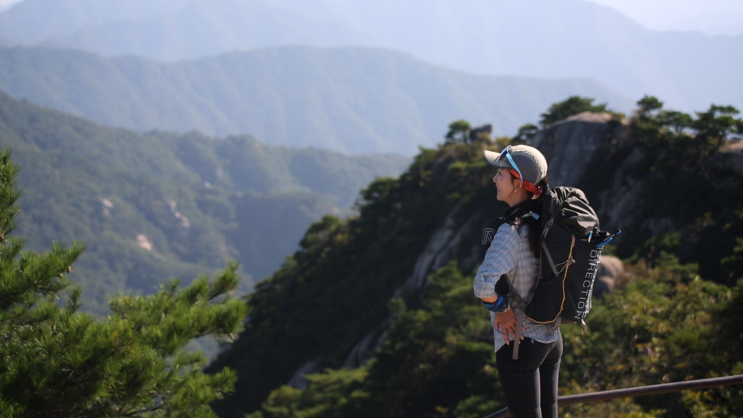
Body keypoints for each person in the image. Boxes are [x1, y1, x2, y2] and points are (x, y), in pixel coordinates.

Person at [474, 144, 561, 418]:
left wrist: (501, 308)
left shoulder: (510, 232)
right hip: (550, 338)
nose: (494, 179)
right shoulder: (545, 220)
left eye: (501, 174)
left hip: (519, 342)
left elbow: (482, 286)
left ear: (519, 184)